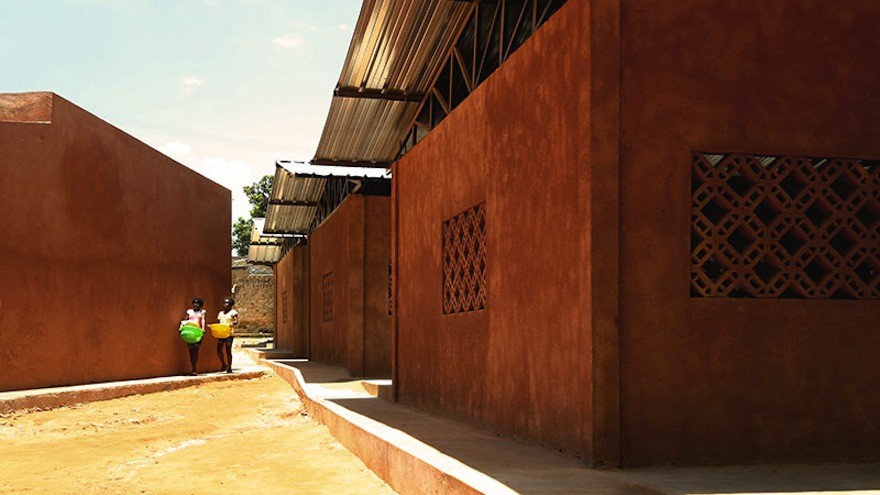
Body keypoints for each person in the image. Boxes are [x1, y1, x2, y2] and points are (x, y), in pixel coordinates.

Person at [183, 297, 206, 375]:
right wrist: (181, 327)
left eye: (198, 304)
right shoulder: (189, 312)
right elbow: (185, 320)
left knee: (195, 350)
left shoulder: (202, 312)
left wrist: (203, 329)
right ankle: (193, 368)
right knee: (190, 350)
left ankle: (194, 369)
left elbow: (203, 319)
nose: (196, 305)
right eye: (194, 303)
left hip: (197, 332)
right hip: (190, 331)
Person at [216, 297, 239, 373]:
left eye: (227, 303)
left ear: (231, 305)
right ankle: (223, 363)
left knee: (228, 350)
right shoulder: (220, 313)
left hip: (229, 334)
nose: (225, 305)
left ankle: (229, 367)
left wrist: (231, 324)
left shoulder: (233, 312)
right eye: (225, 303)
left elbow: (236, 321)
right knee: (219, 350)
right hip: (221, 333)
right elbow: (218, 322)